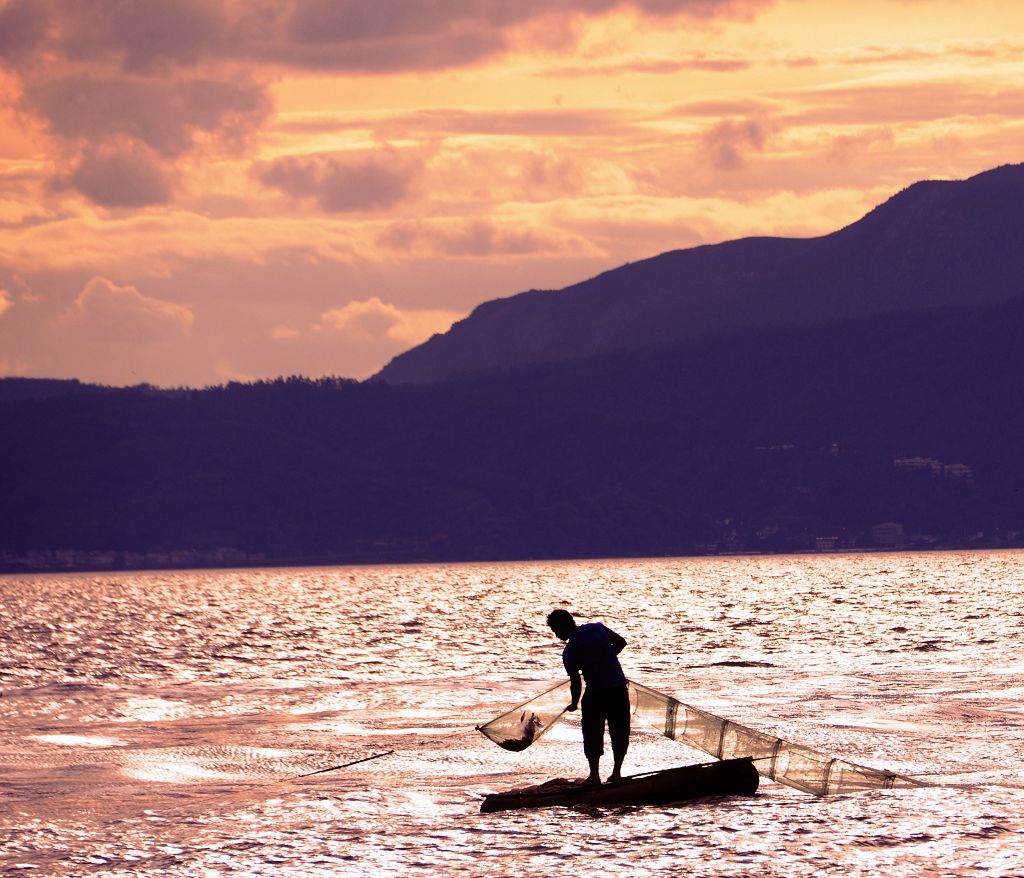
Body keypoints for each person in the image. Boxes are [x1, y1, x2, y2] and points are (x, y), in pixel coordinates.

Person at [546, 608, 629, 786]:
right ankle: (616, 774)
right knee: (620, 731)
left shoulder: (569, 651)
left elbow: (576, 682)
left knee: (592, 734)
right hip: (618, 689)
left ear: (563, 625)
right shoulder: (596, 628)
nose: (556, 635)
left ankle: (594, 776)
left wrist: (574, 703)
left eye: (555, 630)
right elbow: (621, 643)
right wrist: (605, 658)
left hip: (596, 693)